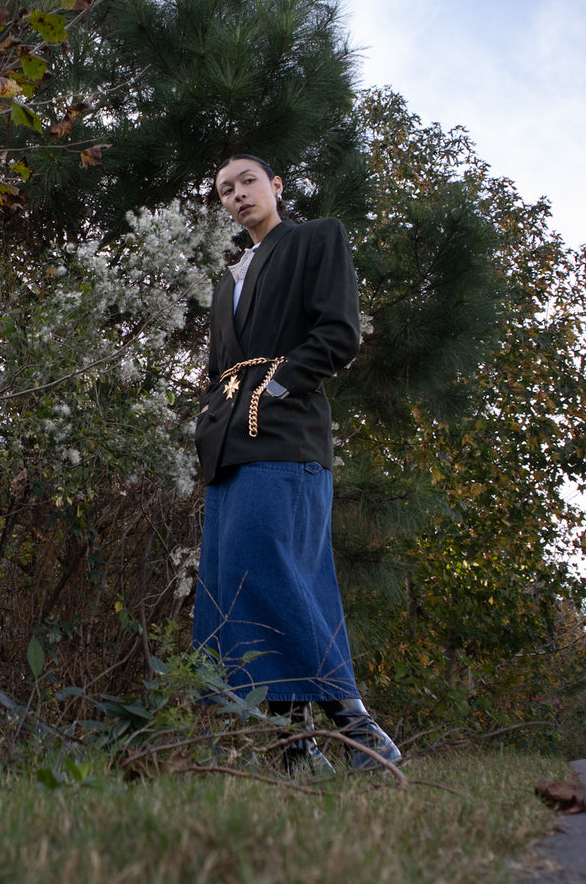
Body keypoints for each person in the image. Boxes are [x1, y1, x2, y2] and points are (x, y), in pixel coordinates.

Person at [192, 154, 401, 775]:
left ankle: (355, 725)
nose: (237, 195)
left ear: (276, 186)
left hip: (286, 437)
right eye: (225, 189)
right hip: (227, 447)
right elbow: (215, 370)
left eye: (247, 181)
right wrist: (213, 419)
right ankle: (294, 746)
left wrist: (276, 386)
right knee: (239, 582)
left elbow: (339, 332)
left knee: (278, 571)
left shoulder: (316, 239)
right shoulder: (225, 280)